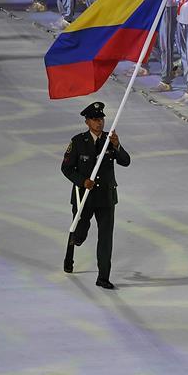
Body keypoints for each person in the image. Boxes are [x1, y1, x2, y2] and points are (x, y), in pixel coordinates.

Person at [60, 102, 131, 289]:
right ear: (87, 122)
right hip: (84, 197)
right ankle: (71, 252)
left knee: (106, 238)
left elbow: (126, 161)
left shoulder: (110, 140)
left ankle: (103, 277)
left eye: (101, 119)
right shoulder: (77, 142)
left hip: (106, 198)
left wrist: (117, 146)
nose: (99, 123)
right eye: (95, 120)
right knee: (79, 231)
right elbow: (66, 168)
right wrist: (82, 181)